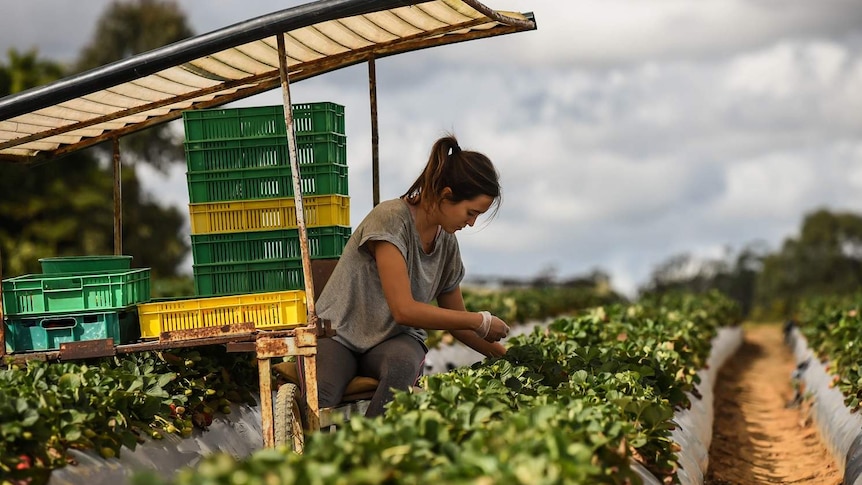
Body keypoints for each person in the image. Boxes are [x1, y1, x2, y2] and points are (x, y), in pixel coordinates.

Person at [313, 134, 510, 417]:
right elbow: (403, 310)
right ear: (446, 196)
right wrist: (480, 320)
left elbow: (458, 324)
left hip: (392, 341)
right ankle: (314, 457)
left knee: (402, 366)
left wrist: (511, 358)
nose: (472, 222)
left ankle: (368, 450)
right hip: (339, 334)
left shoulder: (447, 245)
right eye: (471, 212)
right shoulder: (391, 219)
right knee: (322, 393)